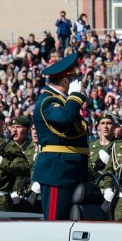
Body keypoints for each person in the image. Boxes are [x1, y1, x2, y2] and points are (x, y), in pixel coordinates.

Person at [32, 53, 89, 220]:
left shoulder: (63, 103)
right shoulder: (48, 101)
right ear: (65, 81)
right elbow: (64, 119)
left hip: (70, 170)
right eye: (73, 80)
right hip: (57, 173)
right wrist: (76, 96)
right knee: (56, 222)